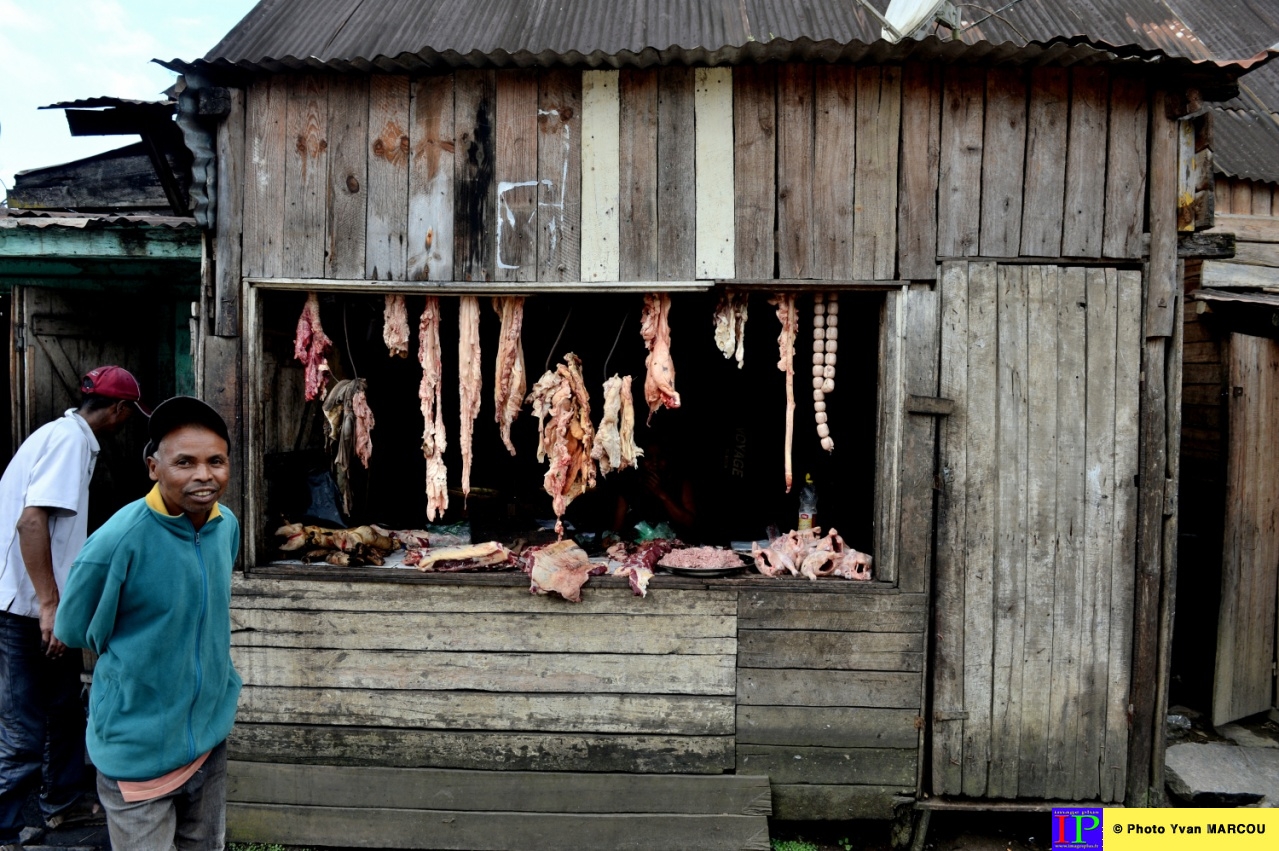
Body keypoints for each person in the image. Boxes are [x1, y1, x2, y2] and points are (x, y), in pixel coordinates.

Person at [54, 397, 240, 851]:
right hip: (137, 747)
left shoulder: (225, 526)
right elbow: (75, 628)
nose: (204, 475)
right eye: (185, 462)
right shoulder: (118, 541)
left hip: (207, 738)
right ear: (153, 467)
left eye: (215, 461)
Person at [0, 365, 146, 850]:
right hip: (23, 610)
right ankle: (5, 829)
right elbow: (30, 522)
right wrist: (48, 604)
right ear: (119, 410)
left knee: (63, 708)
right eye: (129, 413)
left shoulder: (62, 433)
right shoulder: (69, 441)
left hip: (41, 609)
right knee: (22, 731)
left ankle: (60, 801)